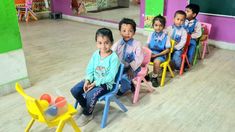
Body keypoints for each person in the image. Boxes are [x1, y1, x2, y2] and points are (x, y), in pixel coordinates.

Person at [70, 28, 120, 126]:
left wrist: (95, 83)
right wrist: (88, 80)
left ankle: (88, 114)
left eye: (106, 42)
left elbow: (110, 77)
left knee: (90, 94)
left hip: (105, 84)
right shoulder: (96, 54)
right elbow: (90, 69)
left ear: (112, 42)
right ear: (96, 43)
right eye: (100, 43)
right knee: (75, 90)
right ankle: (85, 106)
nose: (103, 46)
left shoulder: (114, 58)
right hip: (93, 80)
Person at [112, 18, 144, 95]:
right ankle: (129, 85)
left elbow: (139, 59)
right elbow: (112, 52)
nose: (127, 33)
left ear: (134, 32)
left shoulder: (137, 44)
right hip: (121, 67)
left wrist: (132, 69)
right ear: (120, 32)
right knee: (113, 76)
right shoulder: (118, 43)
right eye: (124, 31)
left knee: (124, 78)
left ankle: (124, 88)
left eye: (130, 31)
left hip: (133, 68)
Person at [146, 15, 171, 87]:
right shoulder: (151, 34)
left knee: (156, 62)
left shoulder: (166, 36)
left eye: (160, 25)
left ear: (163, 26)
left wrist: (157, 55)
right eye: (156, 25)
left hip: (160, 54)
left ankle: (154, 77)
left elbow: (167, 50)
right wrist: (148, 52)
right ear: (153, 25)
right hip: (151, 53)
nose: (158, 27)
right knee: (141, 58)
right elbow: (147, 45)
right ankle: (146, 74)